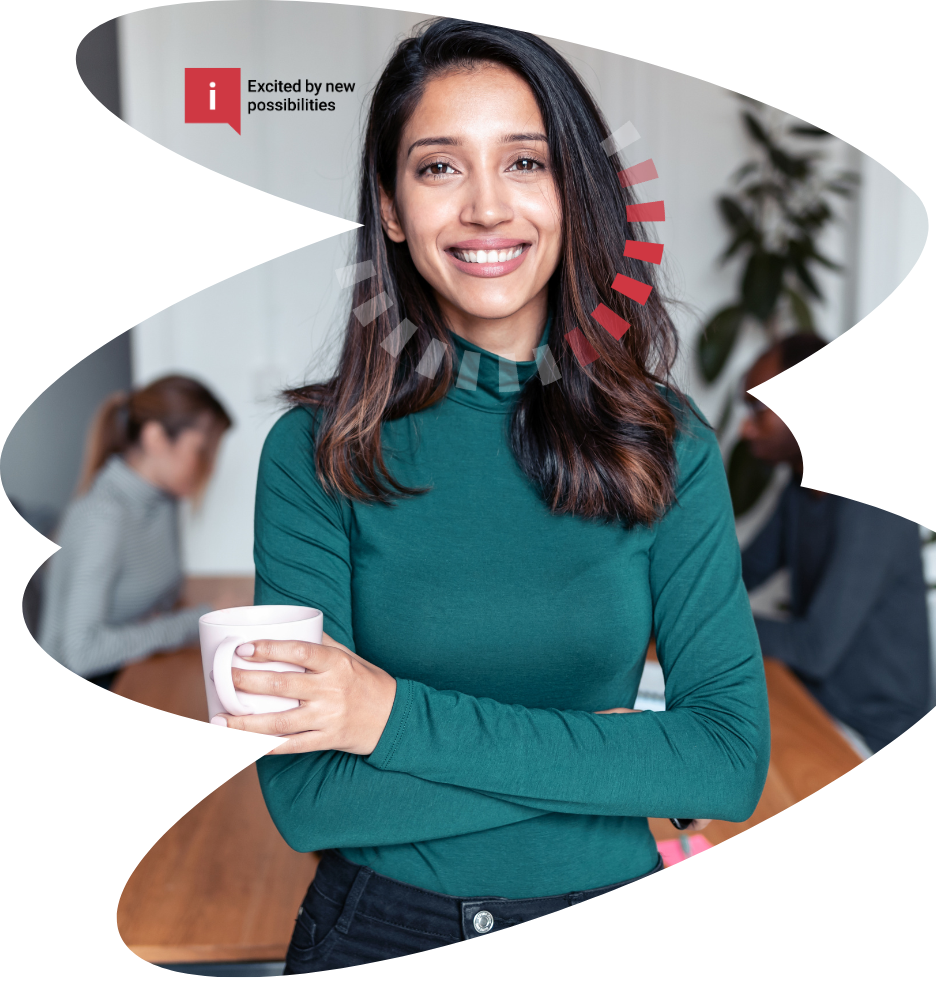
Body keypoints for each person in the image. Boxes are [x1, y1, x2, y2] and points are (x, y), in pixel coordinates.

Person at [227, 19, 769, 973]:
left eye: (526, 162)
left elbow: (725, 763)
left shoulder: (665, 443)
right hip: (378, 940)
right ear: (393, 209)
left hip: (618, 936)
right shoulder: (315, 453)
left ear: (572, 194)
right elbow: (310, 800)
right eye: (439, 167)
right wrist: (617, 760)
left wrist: (386, 720)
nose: (486, 207)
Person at [37, 374, 232, 889]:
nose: (209, 466)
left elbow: (158, 596)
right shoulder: (104, 516)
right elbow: (77, 651)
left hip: (128, 678)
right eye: (201, 450)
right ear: (154, 438)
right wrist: (194, 622)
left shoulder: (160, 500)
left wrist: (174, 623)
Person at [739, 333, 933, 778]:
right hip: (817, 704)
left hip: (873, 744)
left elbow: (814, 650)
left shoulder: (874, 498)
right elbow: (740, 572)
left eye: (759, 409)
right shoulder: (802, 487)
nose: (746, 428)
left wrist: (702, 622)